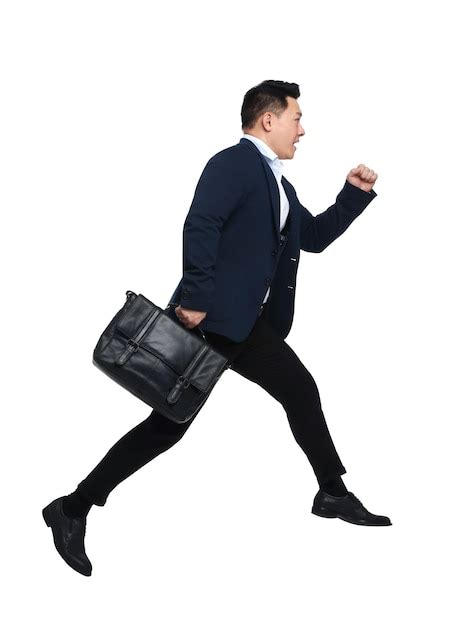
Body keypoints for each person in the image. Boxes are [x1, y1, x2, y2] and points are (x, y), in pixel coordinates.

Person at [43, 79, 391, 577]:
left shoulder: (278, 184)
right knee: (167, 427)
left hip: (246, 326)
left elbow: (311, 237)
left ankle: (332, 492)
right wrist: (197, 301)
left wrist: (353, 196)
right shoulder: (232, 163)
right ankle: (71, 509)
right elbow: (200, 224)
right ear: (268, 119)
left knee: (299, 391)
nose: (303, 129)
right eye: (297, 118)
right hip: (210, 320)